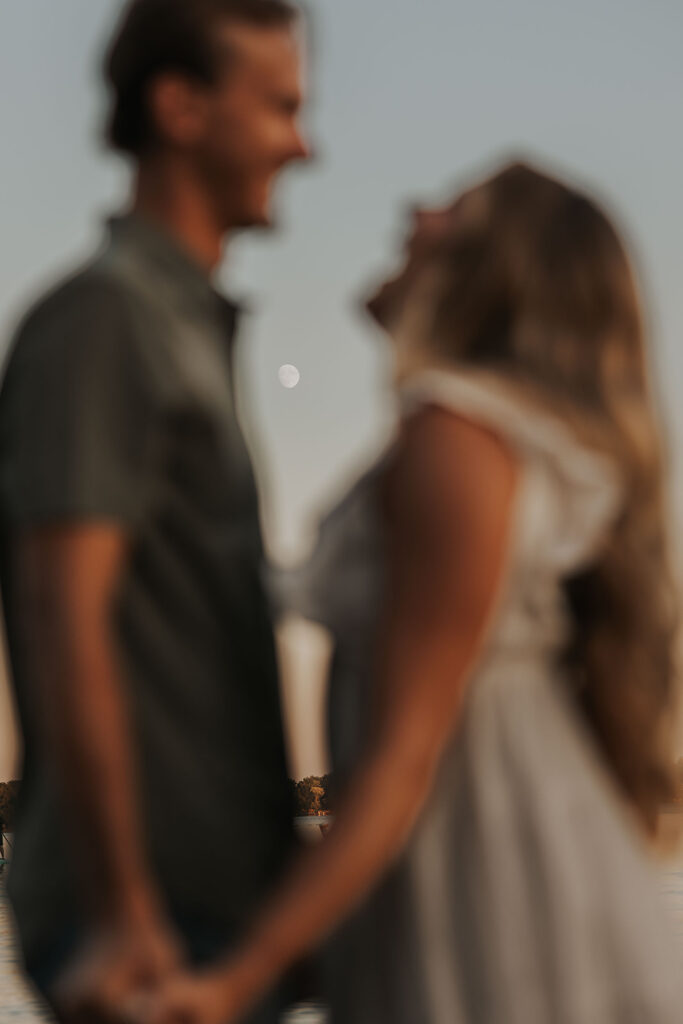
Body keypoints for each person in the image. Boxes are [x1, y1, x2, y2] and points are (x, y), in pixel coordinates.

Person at [147, 162, 682, 1024]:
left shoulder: (456, 437)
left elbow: (402, 760)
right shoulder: (465, 436)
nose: (416, 209)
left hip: (500, 904)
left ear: (491, 269)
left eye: (452, 211)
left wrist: (238, 977)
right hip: (478, 876)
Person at [0, 1, 309, 1022]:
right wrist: (123, 913)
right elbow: (63, 616)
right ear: (178, 106)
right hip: (150, 930)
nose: (301, 146)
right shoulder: (107, 317)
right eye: (278, 107)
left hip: (214, 912)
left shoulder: (181, 329)